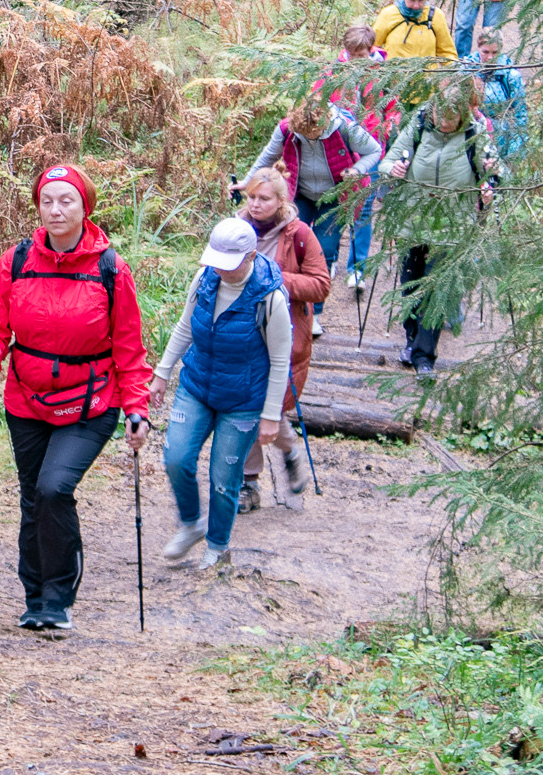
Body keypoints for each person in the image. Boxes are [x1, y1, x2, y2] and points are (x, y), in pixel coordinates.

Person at [0, 163, 152, 633]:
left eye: (65, 200)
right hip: (26, 400)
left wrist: (137, 408)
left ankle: (58, 595)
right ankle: (36, 598)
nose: (54, 209)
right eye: (47, 201)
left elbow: (129, 347)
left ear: (84, 206)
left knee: (54, 488)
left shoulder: (110, 268)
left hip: (90, 403)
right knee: (34, 498)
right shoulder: (17, 261)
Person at [151, 217, 292, 571]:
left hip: (243, 402)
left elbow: (279, 361)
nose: (222, 271)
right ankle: (191, 524)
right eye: (217, 262)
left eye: (230, 264)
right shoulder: (205, 279)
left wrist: (271, 415)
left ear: (251, 255)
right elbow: (186, 326)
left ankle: (217, 547)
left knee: (223, 479)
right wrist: (162, 373)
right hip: (197, 385)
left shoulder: (269, 298)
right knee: (176, 458)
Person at [243, 93, 381, 333]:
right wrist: (246, 182)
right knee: (290, 246)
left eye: (311, 135)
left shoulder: (345, 129)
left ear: (323, 126)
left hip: (335, 196)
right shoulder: (288, 129)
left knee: (324, 249)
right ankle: (285, 303)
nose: (306, 138)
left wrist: (357, 170)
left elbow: (374, 150)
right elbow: (267, 157)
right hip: (301, 193)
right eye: (302, 134)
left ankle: (314, 312)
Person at [233, 168, 329, 512]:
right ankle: (249, 483)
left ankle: (287, 449)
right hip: (240, 332)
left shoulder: (299, 234)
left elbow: (321, 285)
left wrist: (274, 279)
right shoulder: (236, 228)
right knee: (244, 407)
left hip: (284, 334)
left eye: (264, 198)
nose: (256, 205)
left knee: (268, 407)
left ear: (281, 201)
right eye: (252, 197)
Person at [381, 75, 490, 376]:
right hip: (411, 223)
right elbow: (386, 162)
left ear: (463, 113)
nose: (446, 121)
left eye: (452, 117)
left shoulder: (475, 134)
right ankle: (411, 339)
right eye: (441, 115)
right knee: (410, 289)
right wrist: (394, 168)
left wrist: (490, 183)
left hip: (452, 229)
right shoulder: (417, 126)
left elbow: (494, 171)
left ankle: (423, 357)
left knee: (436, 291)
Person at [328, 23, 396, 289]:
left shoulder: (384, 73)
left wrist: (386, 125)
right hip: (339, 144)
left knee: (364, 207)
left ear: (371, 50)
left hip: (370, 145)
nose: (357, 61)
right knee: (334, 204)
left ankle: (357, 268)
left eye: (362, 55)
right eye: (352, 54)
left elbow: (392, 107)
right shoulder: (334, 71)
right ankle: (329, 257)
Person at [374, 0, 456, 104]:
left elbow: (447, 52)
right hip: (394, 90)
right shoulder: (389, 14)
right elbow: (373, 47)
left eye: (421, 1)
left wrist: (454, 75)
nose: (416, 6)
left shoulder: (435, 16)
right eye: (411, 0)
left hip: (425, 90)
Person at [472, 35, 529, 166]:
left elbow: (520, 115)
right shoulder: (466, 71)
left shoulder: (510, 76)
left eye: (495, 52)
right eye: (485, 52)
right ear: (478, 48)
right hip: (473, 134)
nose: (490, 57)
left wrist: (514, 152)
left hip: (501, 137)